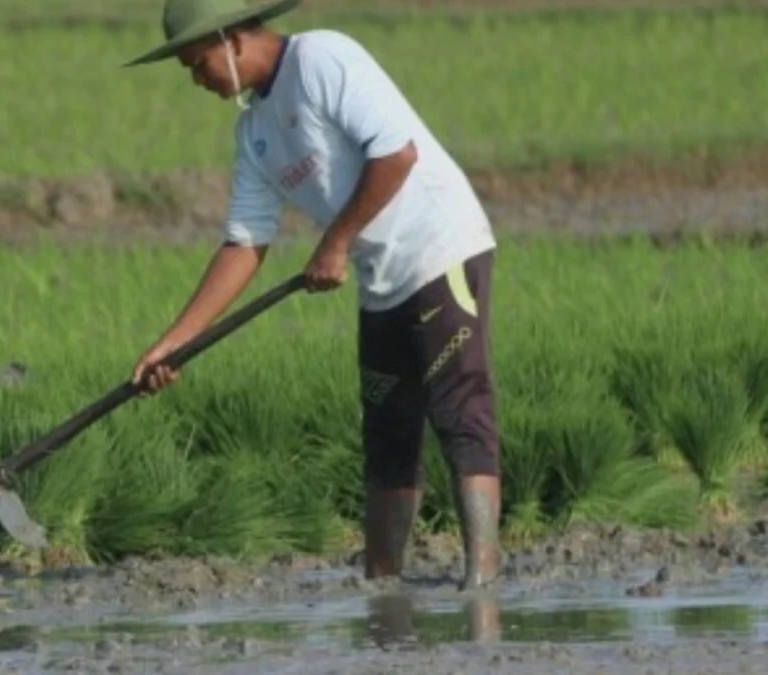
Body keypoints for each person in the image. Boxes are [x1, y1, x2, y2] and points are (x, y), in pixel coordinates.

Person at [123, 0, 502, 590]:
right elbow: (245, 242)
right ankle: (382, 585)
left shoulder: (322, 57)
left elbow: (395, 153)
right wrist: (174, 342)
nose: (198, 82)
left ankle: (484, 579)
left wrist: (336, 241)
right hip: (380, 277)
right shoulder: (253, 132)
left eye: (199, 66)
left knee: (458, 411)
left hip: (440, 247)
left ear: (230, 39)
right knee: (388, 431)